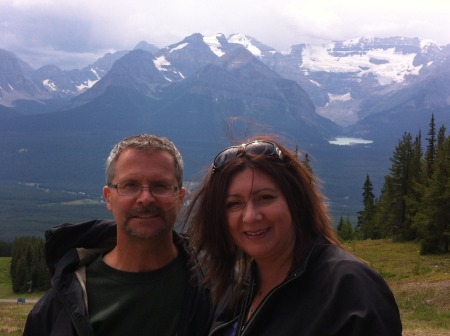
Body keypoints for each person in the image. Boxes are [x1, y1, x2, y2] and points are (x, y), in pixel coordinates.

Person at [186, 135, 402, 336]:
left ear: (295, 201)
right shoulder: (236, 290)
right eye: (234, 204)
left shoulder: (350, 289)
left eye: (265, 197)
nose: (251, 216)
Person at [24, 134, 213, 336]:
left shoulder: (217, 289)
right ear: (108, 198)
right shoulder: (57, 309)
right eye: (130, 185)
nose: (146, 198)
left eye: (160, 186)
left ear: (180, 197)